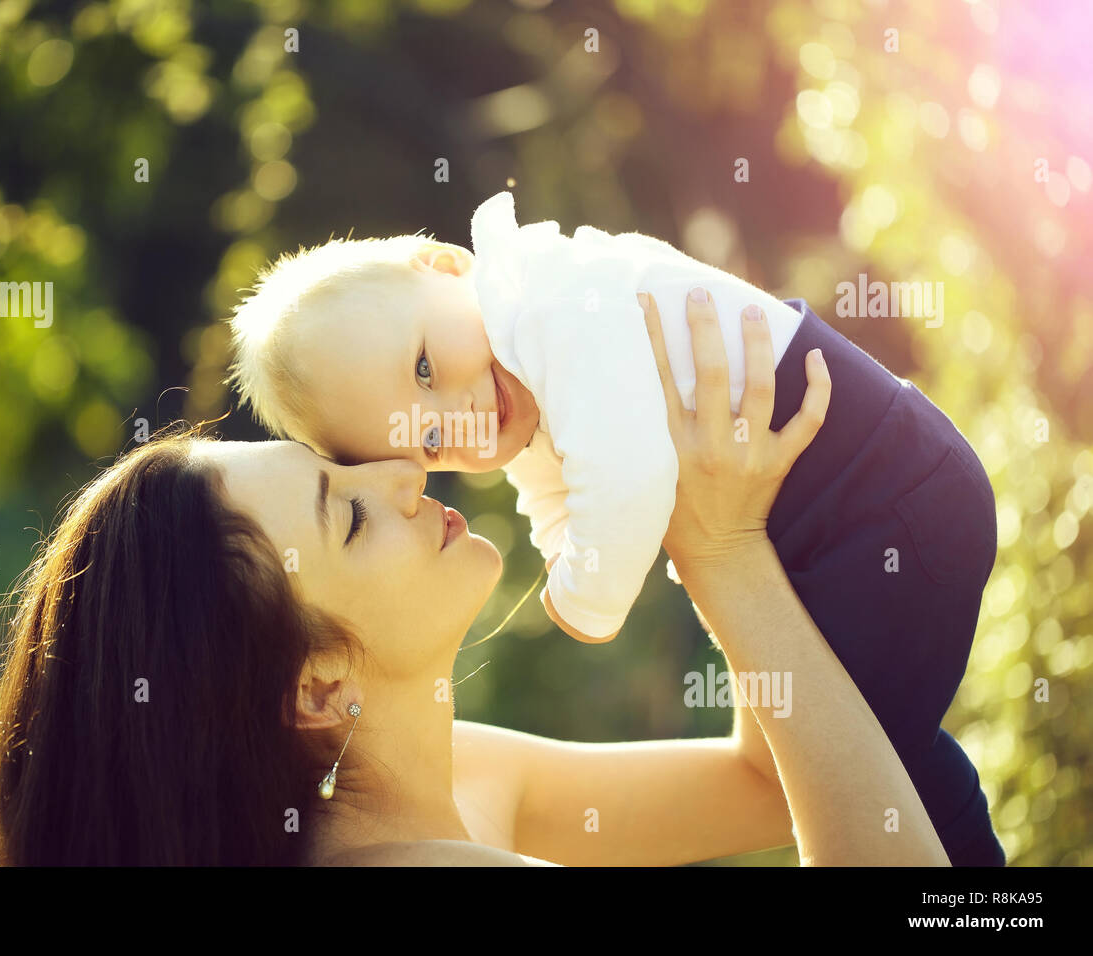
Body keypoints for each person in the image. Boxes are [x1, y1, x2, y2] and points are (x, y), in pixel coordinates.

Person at [0, 293, 951, 866]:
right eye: (345, 512)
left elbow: (766, 784)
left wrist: (704, 519)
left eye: (340, 465)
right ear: (315, 683)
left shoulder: (449, 780)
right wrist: (727, 555)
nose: (401, 470)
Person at [224, 195, 1005, 865]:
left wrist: (592, 592)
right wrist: (638, 551)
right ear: (318, 684)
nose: (440, 435)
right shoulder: (518, 380)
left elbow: (628, 478)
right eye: (422, 441)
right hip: (845, 516)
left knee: (888, 758)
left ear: (448, 266)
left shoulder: (549, 308)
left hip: (883, 494)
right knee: (894, 757)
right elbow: (552, 495)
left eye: (424, 370)